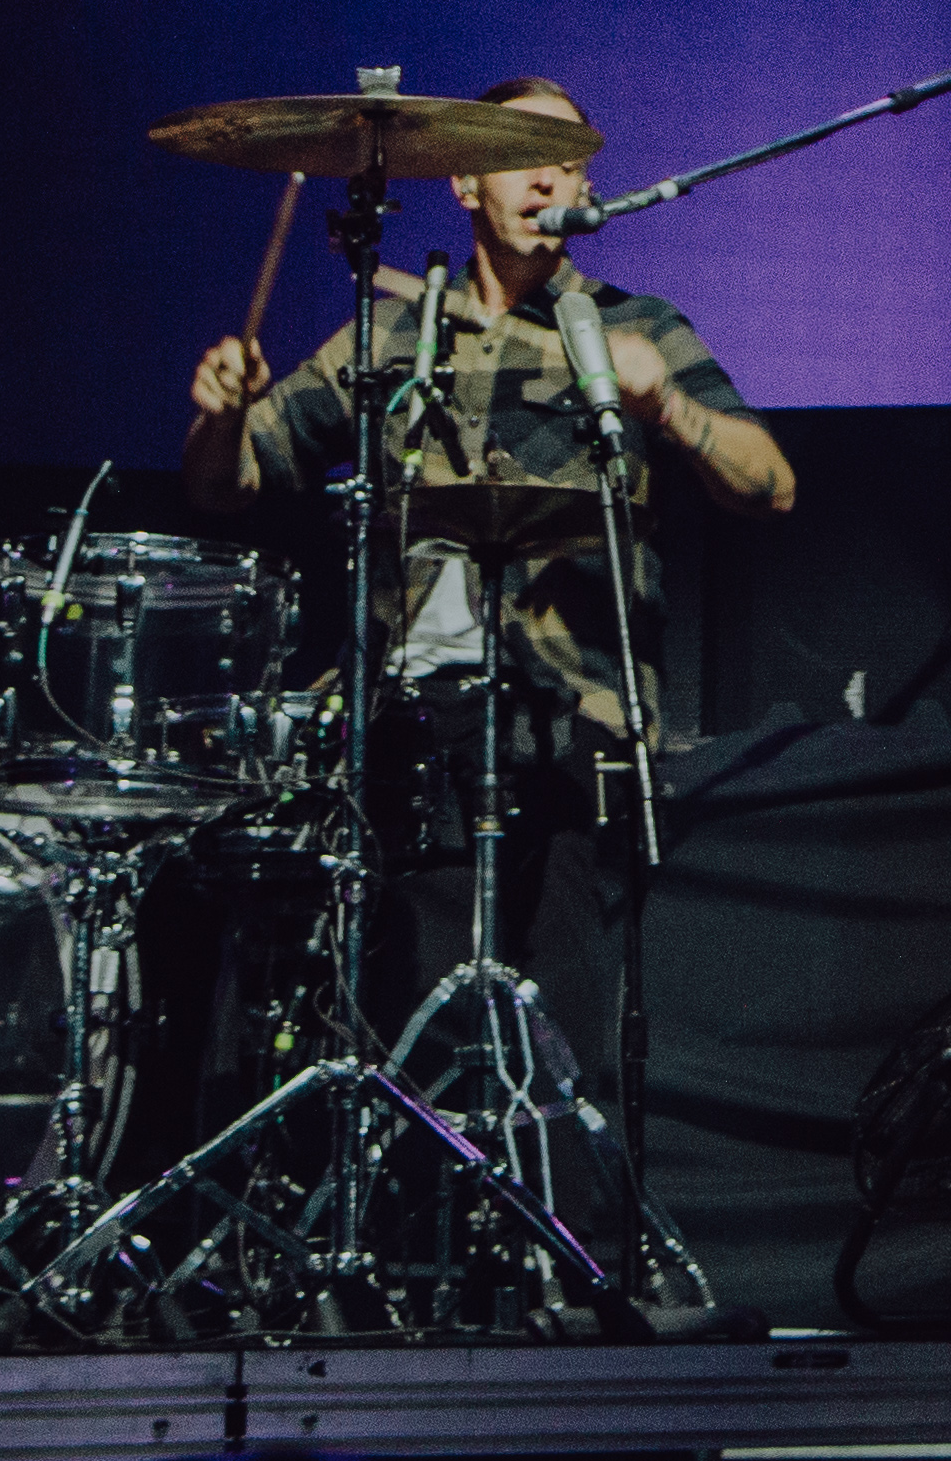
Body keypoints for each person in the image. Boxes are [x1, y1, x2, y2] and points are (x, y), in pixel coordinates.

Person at [178, 77, 795, 1002]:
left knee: (562, 1028)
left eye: (567, 162)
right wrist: (221, 415)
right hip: (402, 733)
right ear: (463, 181)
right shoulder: (392, 331)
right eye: (520, 157)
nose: (549, 178)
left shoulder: (633, 326)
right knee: (389, 1010)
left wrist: (667, 403)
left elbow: (773, 485)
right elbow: (223, 485)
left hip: (569, 726)